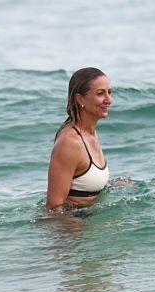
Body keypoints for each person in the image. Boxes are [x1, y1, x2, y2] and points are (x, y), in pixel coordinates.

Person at [46, 67, 112, 212]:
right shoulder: (70, 142)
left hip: (90, 219)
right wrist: (79, 232)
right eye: (101, 93)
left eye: (109, 92)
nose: (109, 100)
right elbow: (54, 207)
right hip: (72, 227)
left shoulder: (91, 133)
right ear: (80, 99)